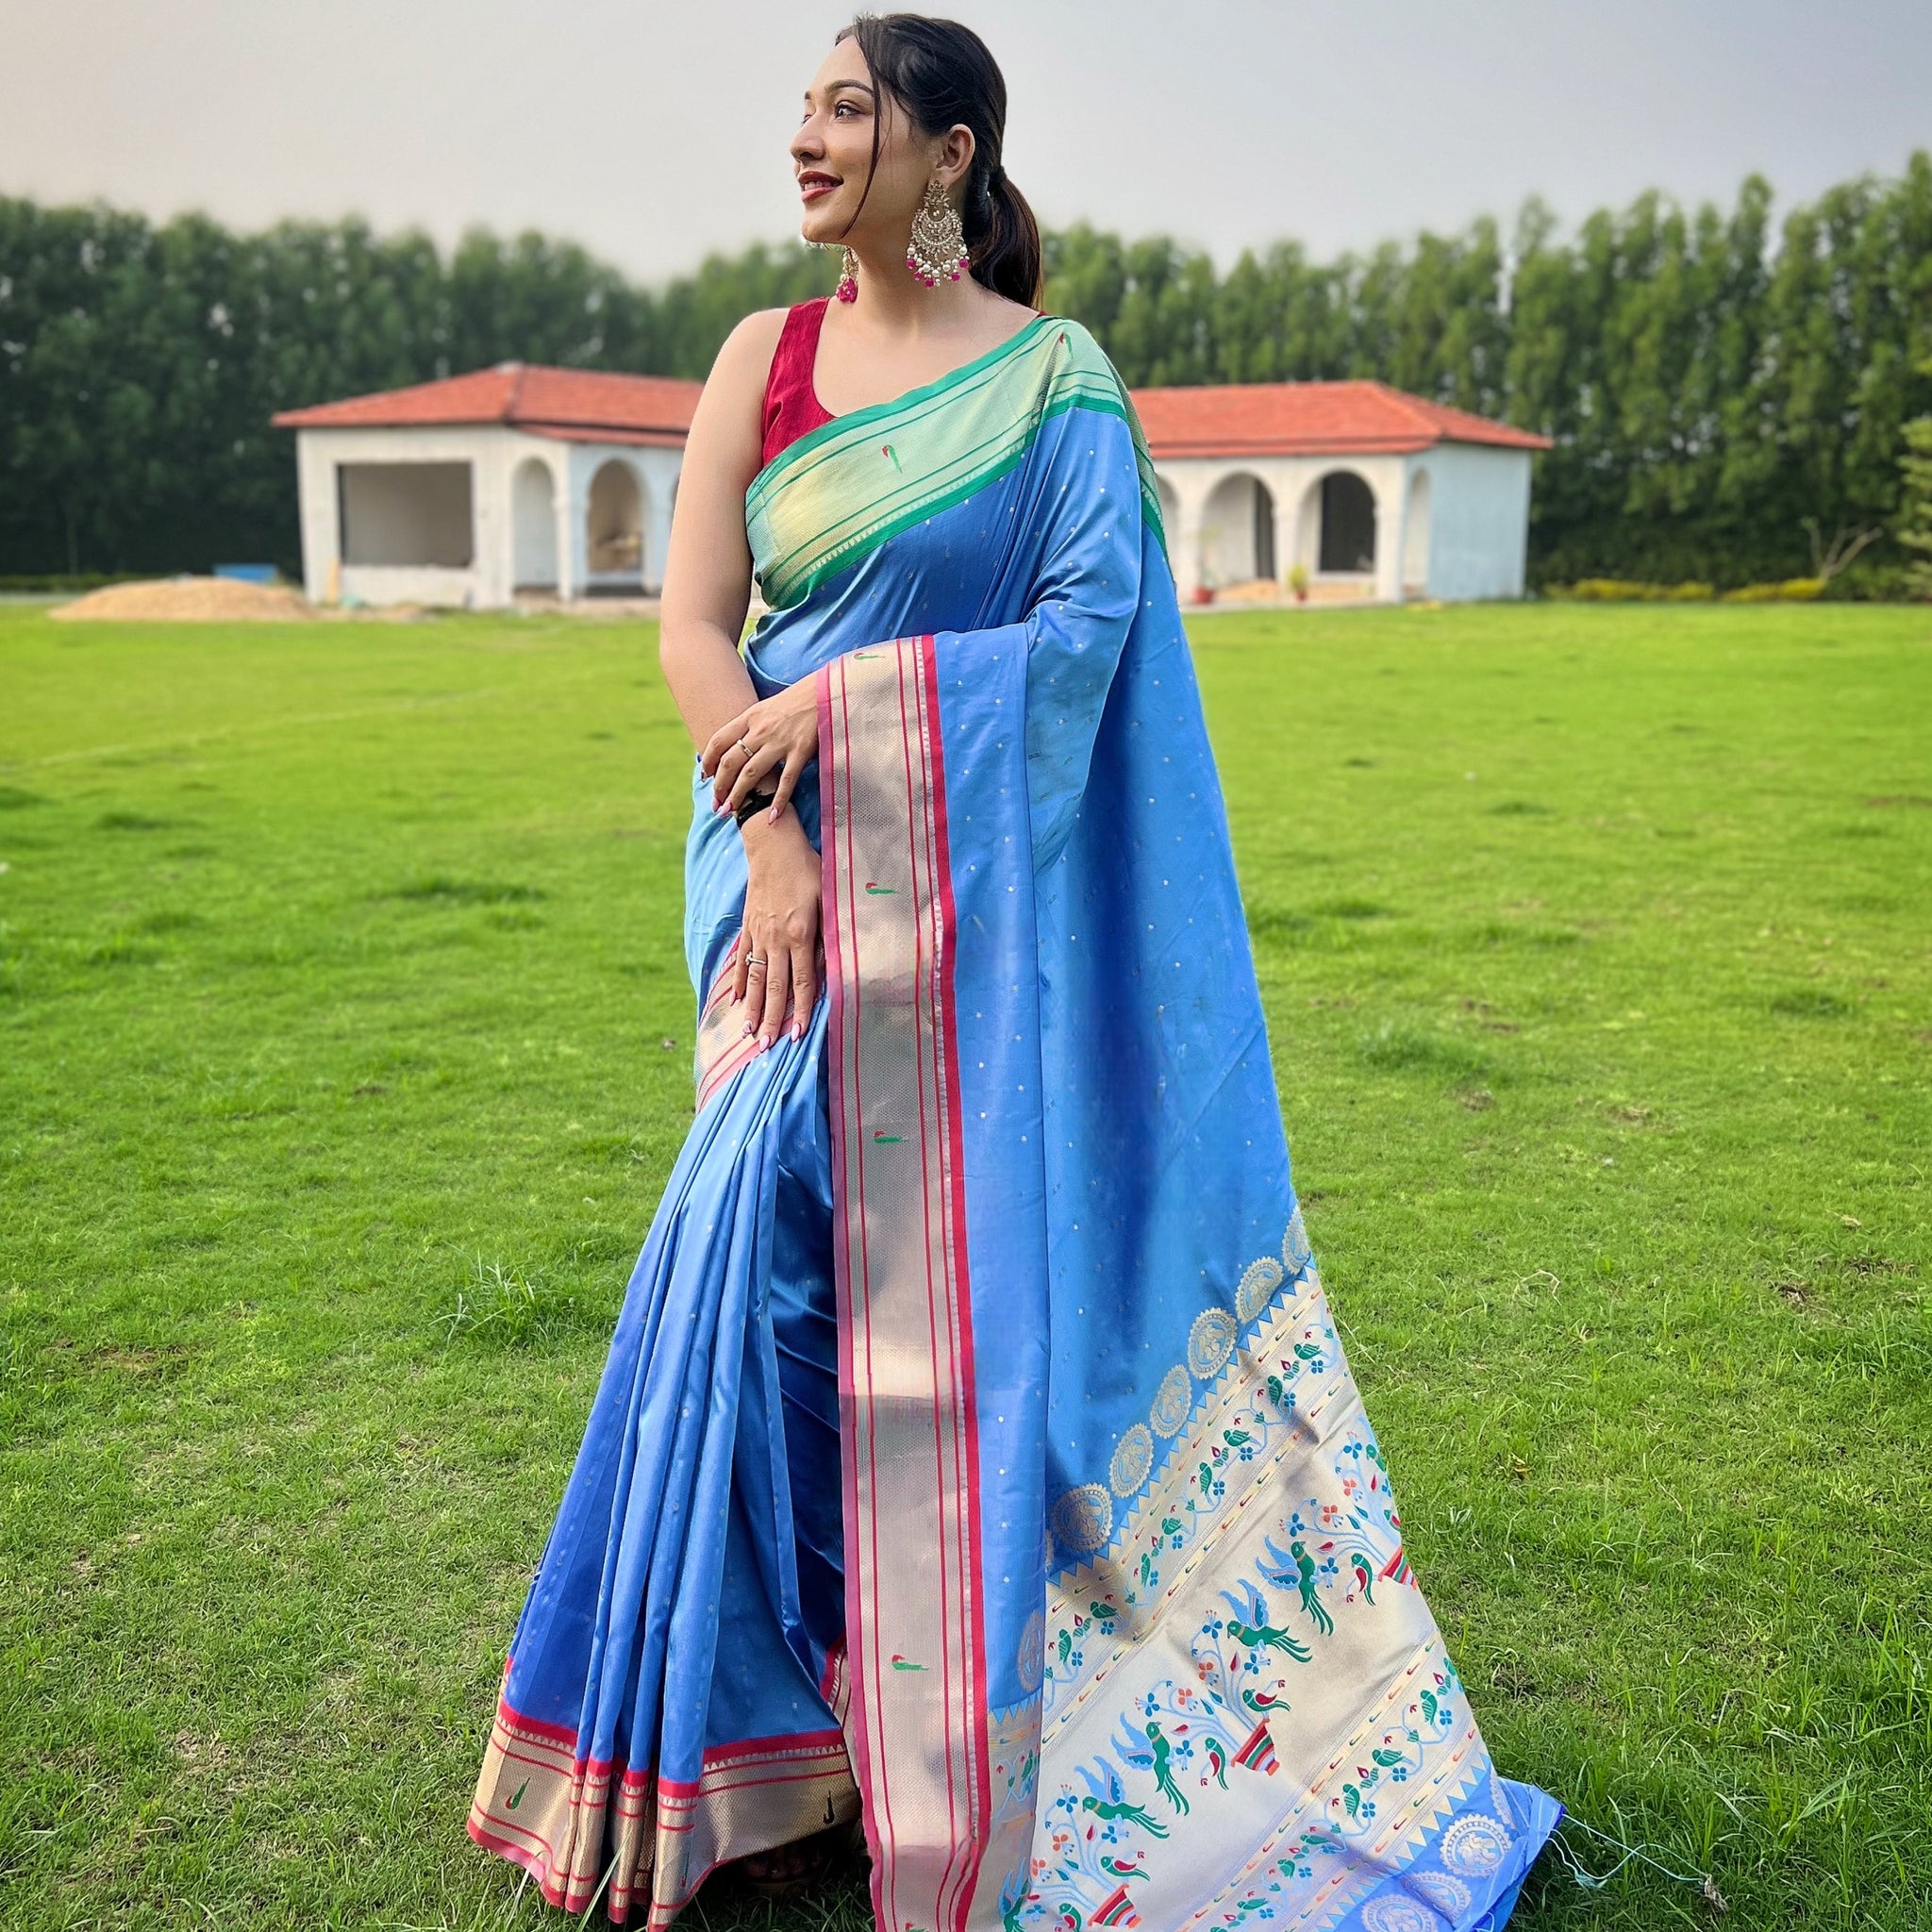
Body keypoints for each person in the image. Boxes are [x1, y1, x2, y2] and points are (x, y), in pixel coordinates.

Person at [467, 14, 1558, 1930]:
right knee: (767, 1277)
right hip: (777, 888)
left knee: (922, 1309)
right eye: (800, 101)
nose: (803, 134)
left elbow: (1080, 652)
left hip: (967, 916)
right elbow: (693, 625)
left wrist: (860, 732)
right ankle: (774, 1743)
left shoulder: (1053, 383)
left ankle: (938, 1742)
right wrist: (783, 841)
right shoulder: (764, 359)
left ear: (948, 152)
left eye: (845, 105)